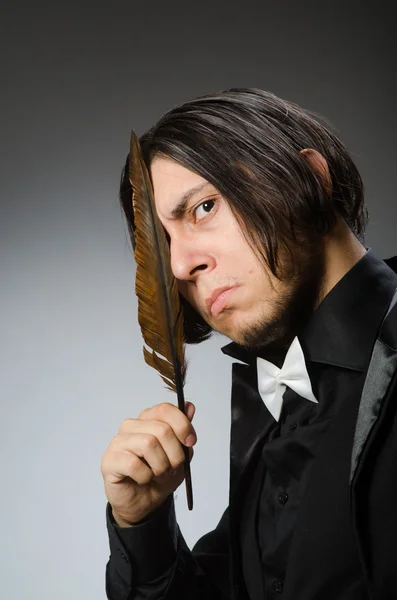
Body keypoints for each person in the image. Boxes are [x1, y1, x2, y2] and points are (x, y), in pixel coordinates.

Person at [100, 88, 397, 600]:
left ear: (310, 178)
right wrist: (141, 522)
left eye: (204, 207)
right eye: (165, 241)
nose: (178, 266)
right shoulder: (272, 407)